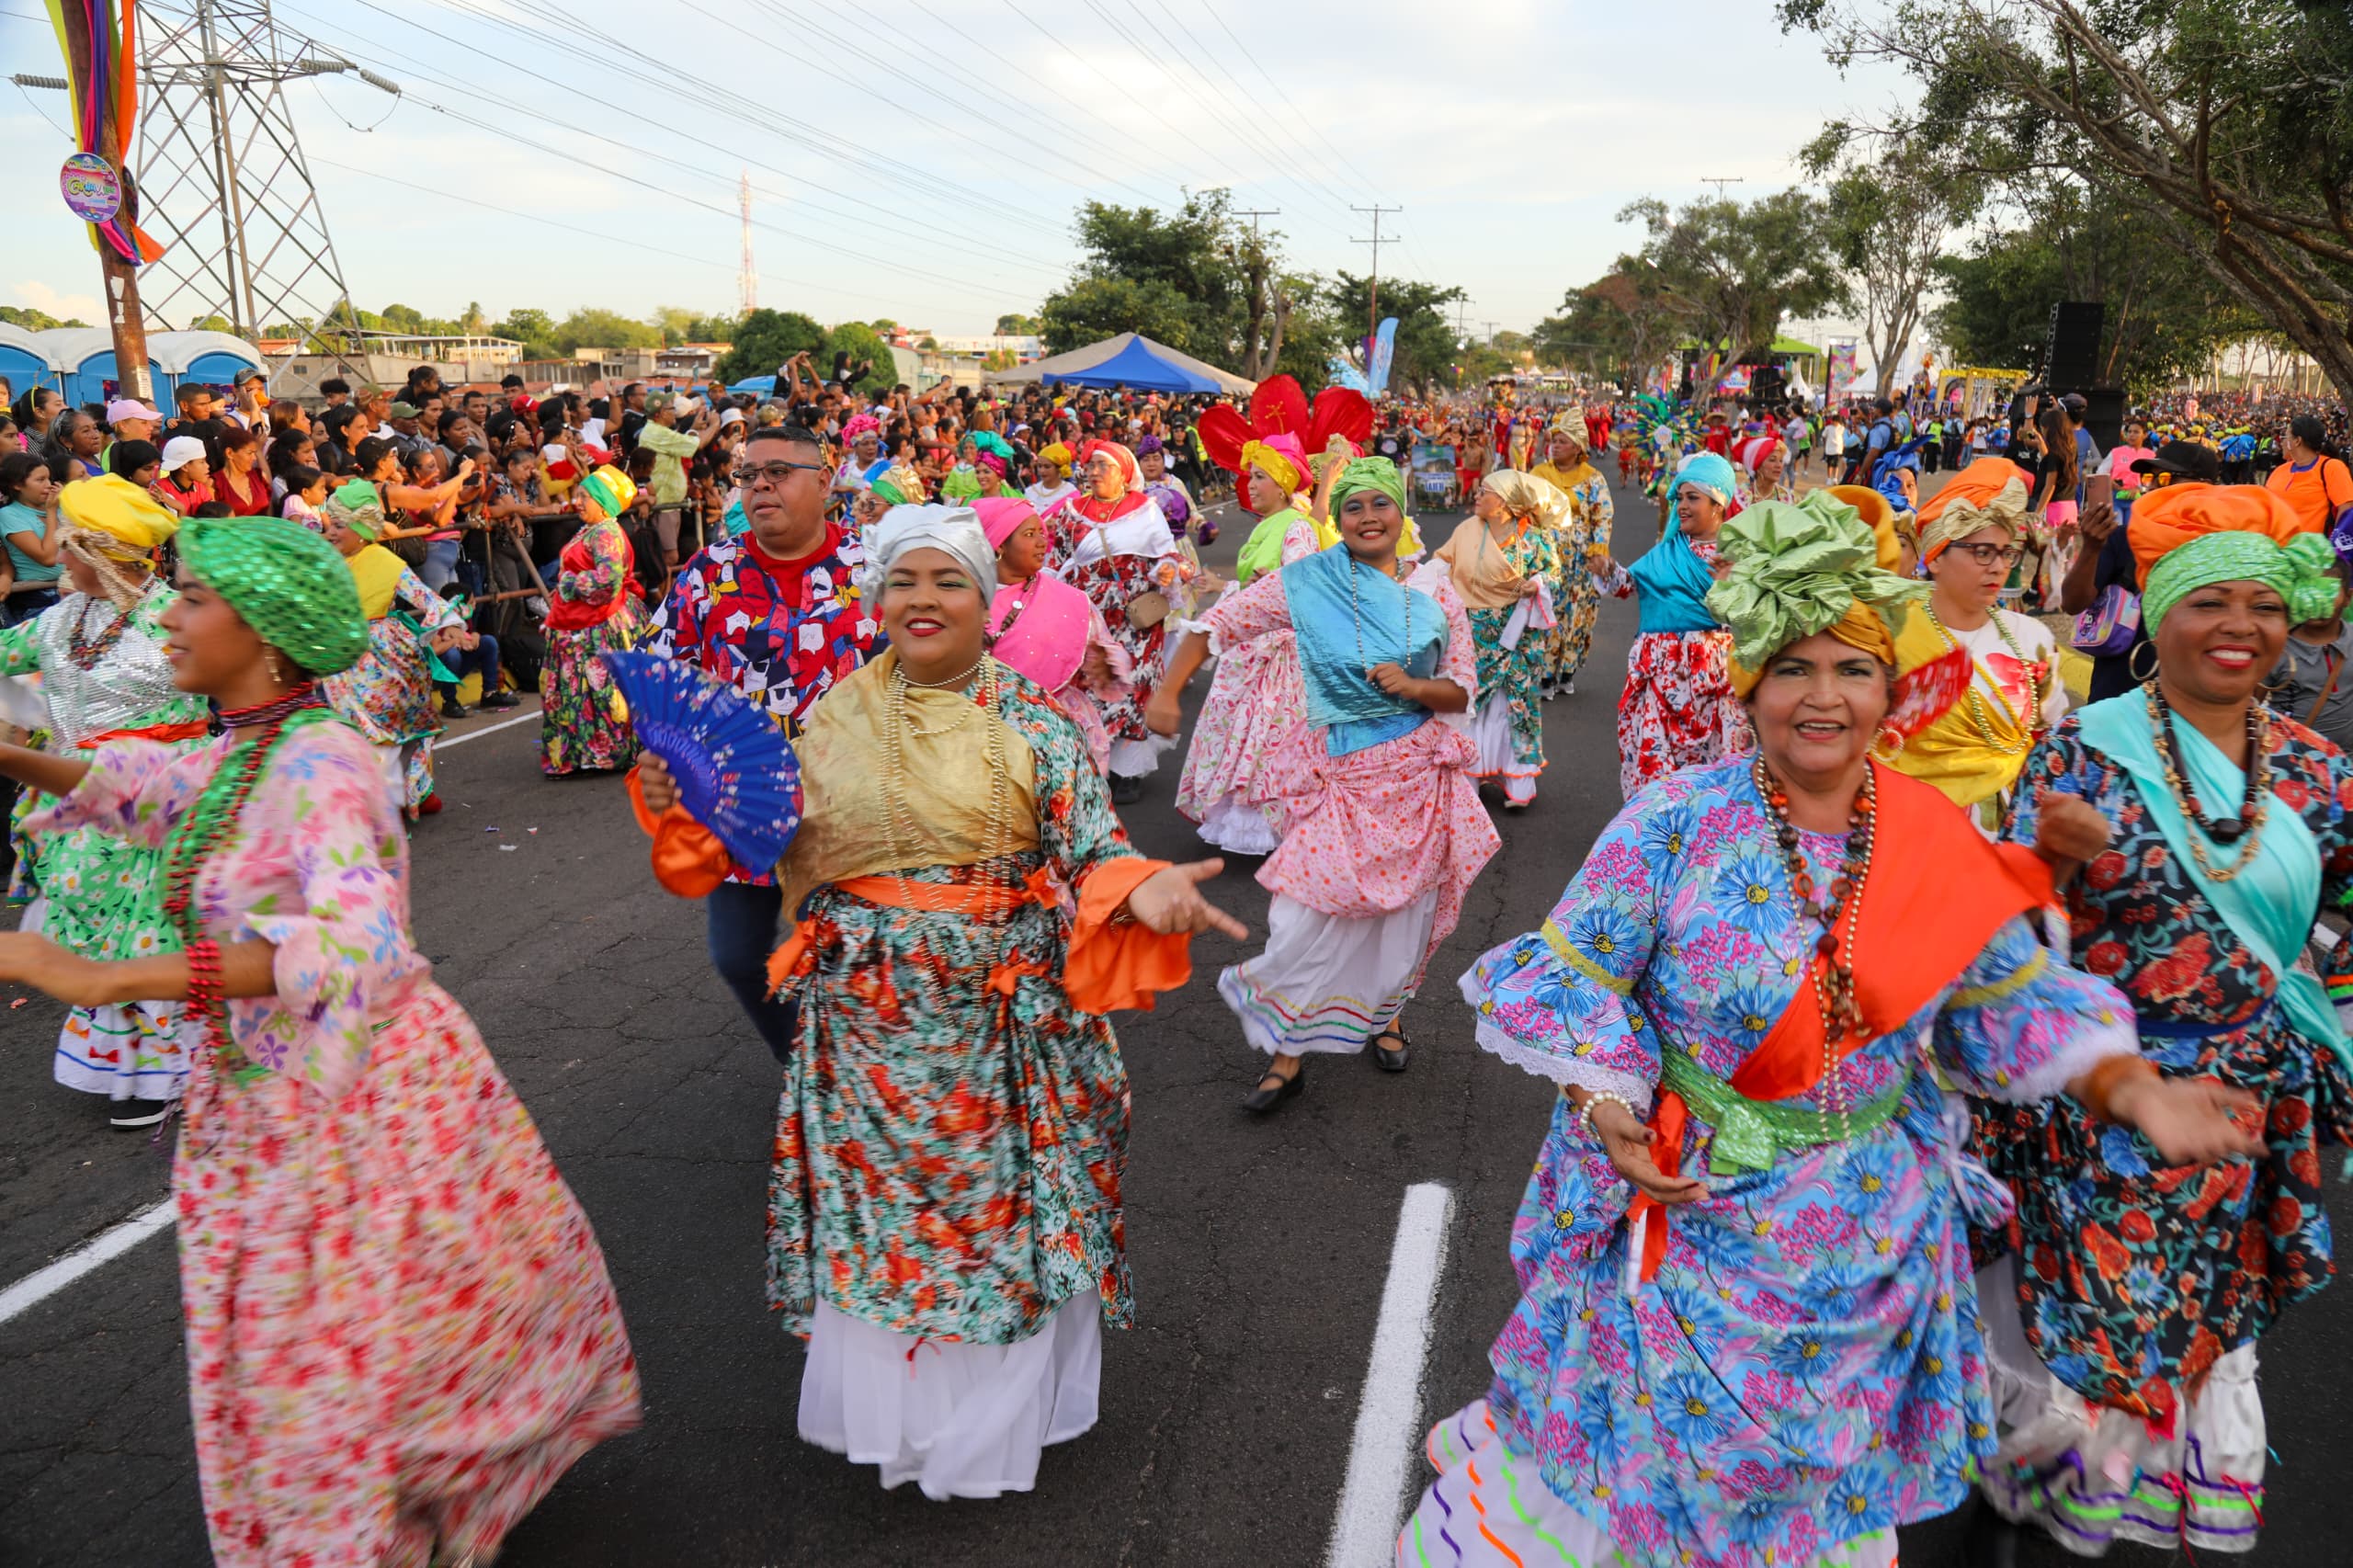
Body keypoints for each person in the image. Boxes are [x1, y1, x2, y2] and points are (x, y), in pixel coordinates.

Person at [1402, 490, 2257, 1568]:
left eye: (1851, 669)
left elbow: (2009, 1002)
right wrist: (1607, 1101)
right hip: (1690, 1214)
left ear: (1890, 695)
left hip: (1867, 1240)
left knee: (1810, 1502)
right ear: (1749, 686)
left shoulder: (1929, 835)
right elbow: (1575, 980)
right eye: (1792, 669)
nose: (1822, 697)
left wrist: (2131, 1087)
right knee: (1648, 1485)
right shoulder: (1673, 821)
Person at [0, 515, 640, 1566]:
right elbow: (147, 788)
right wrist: (12, 748)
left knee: (340, 1336)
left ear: (267, 634)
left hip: (357, 1096)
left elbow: (354, 947)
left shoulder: (326, 761)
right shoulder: (245, 748)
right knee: (312, 1333)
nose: (173, 616)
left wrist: (110, 974)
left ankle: (370, 1519)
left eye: (196, 599)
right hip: (261, 1093)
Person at [633, 504, 1241, 1501]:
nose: (923, 599)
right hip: (860, 1032)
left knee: (994, 1229)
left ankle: (988, 1428)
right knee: (887, 1231)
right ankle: (907, 1425)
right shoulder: (827, 718)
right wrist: (684, 803)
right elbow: (773, 846)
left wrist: (1147, 888)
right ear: (875, 600)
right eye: (903, 582)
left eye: (946, 581)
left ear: (984, 600)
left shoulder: (1033, 724)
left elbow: (1095, 849)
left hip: (998, 1033)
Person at [1977, 483, 2353, 1557]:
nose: (2240, 627)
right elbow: (1996, 943)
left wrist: (2327, 1027)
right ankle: (2033, 1517)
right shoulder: (2077, 754)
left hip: (2241, 1114)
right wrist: (2048, 856)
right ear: (2158, 615)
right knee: (2080, 1363)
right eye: (2208, 603)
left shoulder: (2323, 779)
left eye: (2263, 605)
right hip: (2091, 1109)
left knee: (2192, 1348)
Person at [1151, 458, 1499, 1110]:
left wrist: (1415, 685)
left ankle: (1386, 1016)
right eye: (1353, 508)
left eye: (1379, 504)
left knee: (1401, 919)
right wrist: (1169, 692)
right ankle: (1288, 1053)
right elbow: (1214, 626)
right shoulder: (1307, 582)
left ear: (1401, 513)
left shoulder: (1436, 589)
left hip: (1416, 782)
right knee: (1303, 919)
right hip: (1335, 780)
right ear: (1336, 520)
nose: (1368, 518)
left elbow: (1460, 690)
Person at [647, 420, 882, 1062]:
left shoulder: (875, 569)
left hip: (848, 811)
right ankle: (804, 1063)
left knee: (840, 956)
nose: (760, 486)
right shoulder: (708, 572)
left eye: (779, 472)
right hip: (738, 808)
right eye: (749, 475)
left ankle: (855, 1087)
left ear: (826, 483)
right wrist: (663, 749)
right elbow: (667, 673)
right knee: (737, 957)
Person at [0, 476, 208, 1126]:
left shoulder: (175, 617)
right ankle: (130, 1070)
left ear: (103, 554)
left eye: (69, 549)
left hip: (154, 803)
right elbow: (7, 656)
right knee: (93, 931)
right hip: (78, 809)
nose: (57, 559)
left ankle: (170, 1073)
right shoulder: (66, 619)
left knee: (149, 930)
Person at [1889, 472, 2069, 826]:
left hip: (2014, 835)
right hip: (1912, 831)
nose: (2000, 567)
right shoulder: (1890, 634)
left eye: (2007, 553)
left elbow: (2052, 740)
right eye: (1983, 552)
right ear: (1936, 557)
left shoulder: (2032, 639)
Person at [1172, 436, 1321, 855]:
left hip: (1277, 653)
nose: (1250, 485)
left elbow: (1298, 585)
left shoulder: (1297, 526)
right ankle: (1243, 818)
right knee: (1241, 733)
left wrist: (1256, 586)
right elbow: (1262, 586)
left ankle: (1267, 822)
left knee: (1263, 736)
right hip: (1250, 645)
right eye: (1250, 476)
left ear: (1284, 483)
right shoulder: (1266, 526)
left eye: (1260, 477)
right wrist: (1228, 585)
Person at [1593, 451, 1753, 797]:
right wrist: (1608, 569)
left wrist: (1733, 584)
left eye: (1692, 498)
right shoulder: (1667, 551)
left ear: (1718, 504)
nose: (1681, 505)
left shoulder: (1742, 555)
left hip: (1717, 679)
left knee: (1717, 772)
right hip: (1660, 677)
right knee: (1657, 776)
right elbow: (1627, 585)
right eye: (1679, 497)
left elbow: (1754, 621)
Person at [1040, 439, 1189, 804]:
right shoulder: (1071, 511)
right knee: (1092, 684)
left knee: (1134, 686)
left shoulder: (1147, 511)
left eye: (1101, 466)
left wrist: (1167, 570)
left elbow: (1171, 557)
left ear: (1123, 472)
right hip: (1086, 614)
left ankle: (1129, 770)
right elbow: (1051, 554)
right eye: (1089, 466)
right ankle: (1093, 762)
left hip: (1135, 615)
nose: (1092, 473)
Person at [316, 482, 467, 819]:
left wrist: (452, 625)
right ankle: (374, 801)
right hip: (341, 657)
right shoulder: (323, 561)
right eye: (331, 524)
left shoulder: (384, 560)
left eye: (340, 525)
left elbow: (427, 598)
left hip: (385, 657)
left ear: (361, 529)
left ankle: (408, 791)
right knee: (353, 730)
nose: (332, 532)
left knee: (397, 726)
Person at [1434, 470, 1565, 809]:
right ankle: (1469, 776)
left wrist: (1537, 584)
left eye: (1485, 492)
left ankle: (1518, 782)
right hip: (1474, 632)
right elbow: (1441, 563)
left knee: (1517, 704)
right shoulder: (1466, 531)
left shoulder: (1534, 541)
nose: (1476, 496)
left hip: (1519, 636)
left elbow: (1554, 576)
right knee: (1473, 704)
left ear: (1505, 506)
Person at [977, 494, 1131, 774]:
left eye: (1041, 532)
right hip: (986, 732)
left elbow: (1106, 648)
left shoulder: (1068, 599)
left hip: (1059, 730)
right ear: (999, 544)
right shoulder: (964, 601)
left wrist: (1106, 665)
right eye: (1029, 534)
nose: (1041, 541)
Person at [2062, 441, 2222, 701]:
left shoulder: (2223, 549)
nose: (2155, 486)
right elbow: (2072, 602)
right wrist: (2091, 548)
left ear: (2203, 486)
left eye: (2166, 478)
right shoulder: (2124, 539)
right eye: (2150, 478)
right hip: (2117, 697)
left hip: (2191, 701)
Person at [540, 463, 644, 778]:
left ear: (604, 504)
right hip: (578, 623)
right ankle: (583, 752)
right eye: (579, 495)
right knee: (580, 688)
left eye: (585, 497)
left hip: (597, 625)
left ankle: (604, 751)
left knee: (599, 688)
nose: (578, 502)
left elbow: (607, 581)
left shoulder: (606, 533)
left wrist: (569, 585)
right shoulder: (592, 529)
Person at [1529, 415, 1613, 699]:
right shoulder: (1539, 473)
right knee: (1546, 608)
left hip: (1580, 558)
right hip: (1546, 554)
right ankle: (1544, 674)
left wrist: (1598, 551)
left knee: (1576, 615)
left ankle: (1567, 670)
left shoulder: (1593, 479)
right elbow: (1526, 509)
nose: (1555, 446)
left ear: (1578, 447)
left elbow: (1603, 517)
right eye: (1553, 440)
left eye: (1562, 442)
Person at [1, 450, 67, 624]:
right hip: (37, 599)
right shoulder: (9, 515)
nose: (48, 485)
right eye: (40, 480)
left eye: (49, 478)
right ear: (17, 485)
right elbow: (48, 558)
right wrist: (52, 512)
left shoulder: (60, 507)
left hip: (69, 590)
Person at [2263, 413, 2353, 535]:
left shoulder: (2332, 467)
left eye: (2285, 436)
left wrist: (2336, 549)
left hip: (2312, 552)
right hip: (2275, 549)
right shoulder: (2280, 471)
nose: (2281, 442)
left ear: (2297, 441)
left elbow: (2346, 510)